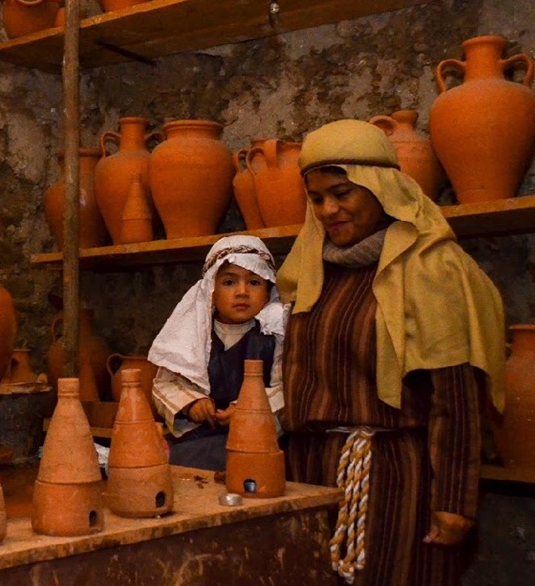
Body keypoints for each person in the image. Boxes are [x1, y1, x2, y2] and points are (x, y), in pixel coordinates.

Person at [277, 119, 506, 585]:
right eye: (317, 198)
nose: (328, 209)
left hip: (398, 482)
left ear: (381, 188)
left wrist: (454, 502)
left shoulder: (432, 269)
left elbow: (456, 396)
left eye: (343, 192)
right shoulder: (314, 272)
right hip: (312, 475)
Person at [147, 235, 287, 471]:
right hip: (199, 437)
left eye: (254, 282)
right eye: (229, 282)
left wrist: (248, 410)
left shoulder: (274, 334)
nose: (242, 292)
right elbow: (164, 384)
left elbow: (288, 389)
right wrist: (192, 404)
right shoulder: (194, 333)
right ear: (211, 289)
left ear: (269, 289)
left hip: (257, 439)